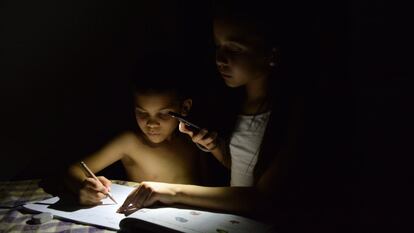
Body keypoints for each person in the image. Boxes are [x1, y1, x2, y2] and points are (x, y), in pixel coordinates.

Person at [117, 1, 301, 221]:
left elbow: (263, 198)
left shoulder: (294, 114)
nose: (220, 60)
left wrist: (170, 192)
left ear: (272, 54)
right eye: (218, 46)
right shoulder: (237, 105)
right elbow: (246, 169)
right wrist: (217, 149)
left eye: (234, 48)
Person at [64, 56, 201, 205]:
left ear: (184, 108)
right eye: (142, 113)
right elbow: (73, 171)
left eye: (163, 114)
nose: (151, 124)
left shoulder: (194, 140)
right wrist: (84, 187)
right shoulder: (129, 142)